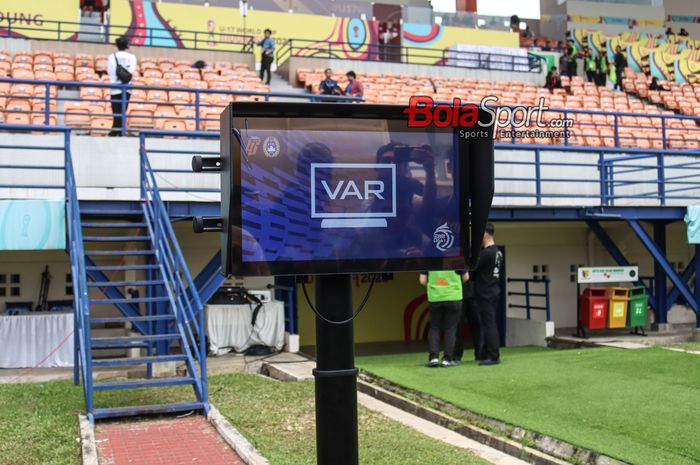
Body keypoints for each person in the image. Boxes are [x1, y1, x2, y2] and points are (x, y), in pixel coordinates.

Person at [419, 269, 469, 367]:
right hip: (454, 296)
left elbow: (422, 280)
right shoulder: (457, 259)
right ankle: (447, 359)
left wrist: (433, 286)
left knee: (434, 328)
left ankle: (433, 358)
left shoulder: (429, 259)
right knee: (450, 329)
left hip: (435, 297)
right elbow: (466, 277)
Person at [471, 223, 503, 366]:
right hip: (494, 289)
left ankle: (493, 355)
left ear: (485, 233)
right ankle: (485, 353)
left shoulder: (486, 253)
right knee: (488, 323)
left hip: (485, 291)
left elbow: (472, 268)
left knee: (488, 324)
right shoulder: (498, 252)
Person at [107, 36, 136, 136]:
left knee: (116, 110)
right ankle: (119, 130)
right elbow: (131, 72)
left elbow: (110, 71)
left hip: (115, 87)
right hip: (126, 87)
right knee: (123, 110)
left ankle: (116, 129)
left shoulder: (112, 57)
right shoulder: (132, 57)